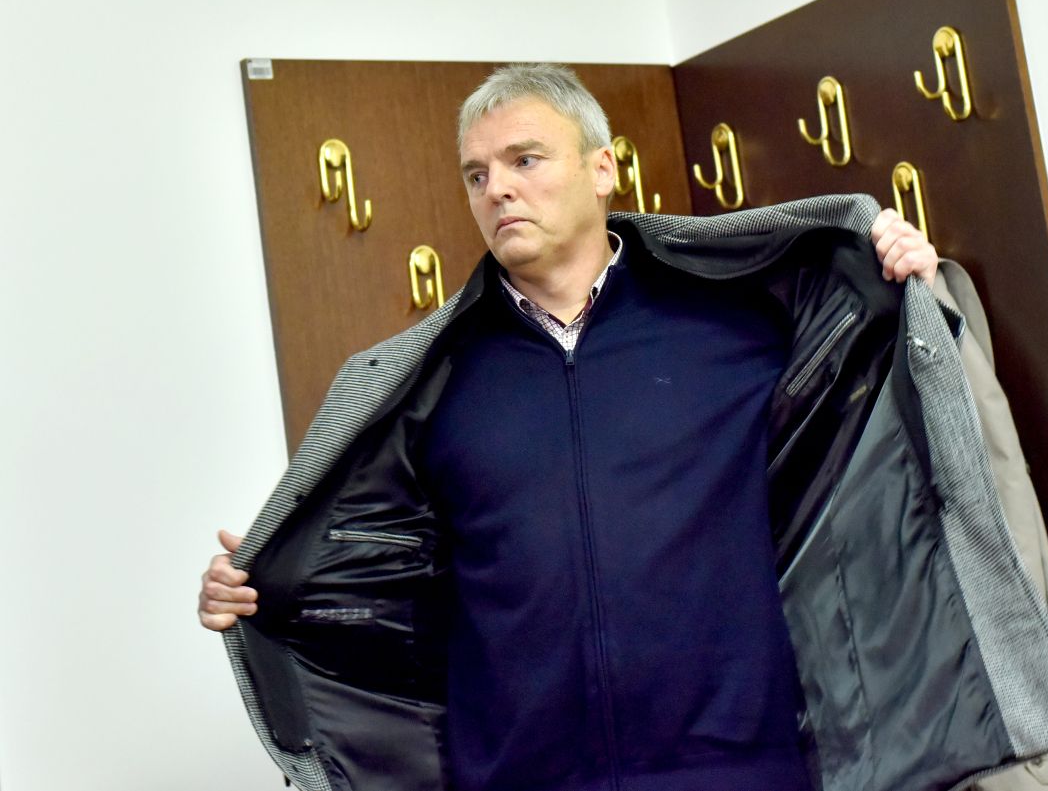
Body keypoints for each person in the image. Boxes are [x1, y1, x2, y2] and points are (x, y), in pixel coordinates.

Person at [199, 64, 940, 790]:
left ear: (602, 169)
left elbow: (880, 428)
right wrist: (259, 590)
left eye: (524, 160)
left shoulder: (735, 323)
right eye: (477, 175)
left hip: (739, 769)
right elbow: (386, 592)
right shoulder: (429, 382)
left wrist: (915, 289)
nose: (498, 188)